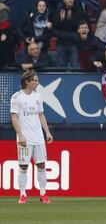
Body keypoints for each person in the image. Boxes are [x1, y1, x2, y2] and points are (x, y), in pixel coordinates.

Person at [10, 71, 53, 204]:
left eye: (37, 80)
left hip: (38, 138)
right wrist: (20, 135)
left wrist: (47, 132)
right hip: (25, 139)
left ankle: (43, 193)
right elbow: (14, 117)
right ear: (27, 81)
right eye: (34, 80)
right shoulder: (17, 97)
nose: (37, 82)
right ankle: (23, 194)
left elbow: (41, 115)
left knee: (41, 165)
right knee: (23, 166)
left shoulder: (38, 96)